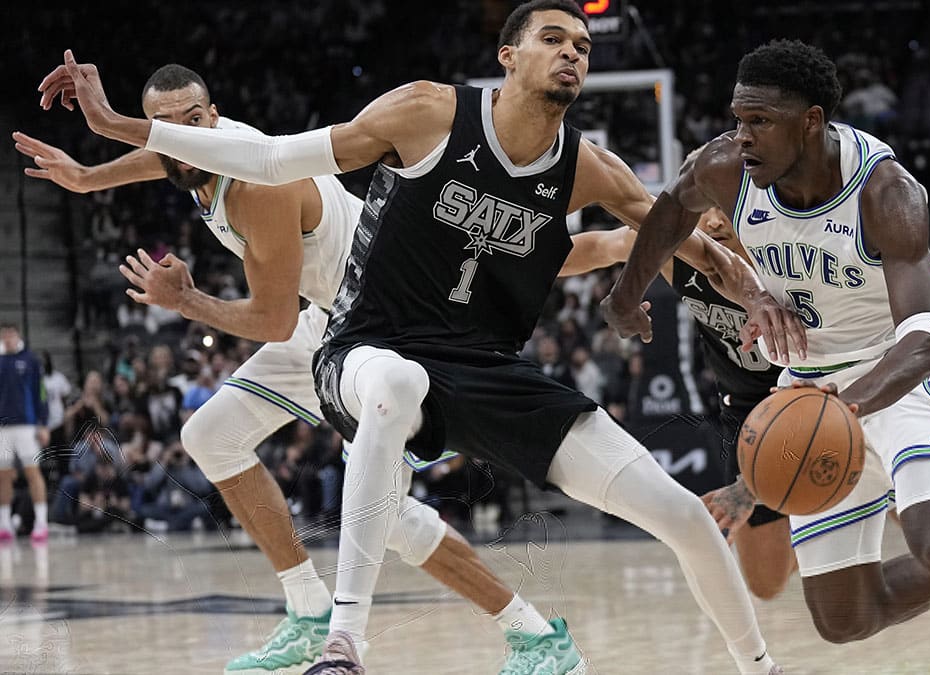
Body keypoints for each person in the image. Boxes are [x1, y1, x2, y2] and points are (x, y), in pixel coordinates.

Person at [38, 3, 801, 671]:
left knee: (676, 514)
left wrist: (753, 288)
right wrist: (96, 153)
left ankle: (725, 661)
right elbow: (227, 155)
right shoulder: (422, 113)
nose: (573, 50)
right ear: (508, 56)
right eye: (553, 37)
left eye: (583, 43)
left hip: (428, 347)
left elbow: (674, 240)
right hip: (365, 338)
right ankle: (343, 638)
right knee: (359, 420)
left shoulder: (582, 168)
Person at [21, 61, 624, 675]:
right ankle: (309, 610)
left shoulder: (257, 188)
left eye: (190, 122)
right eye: (165, 126)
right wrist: (87, 177)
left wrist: (188, 302)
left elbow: (270, 321)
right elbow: (168, 156)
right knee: (209, 435)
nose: (178, 136)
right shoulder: (190, 151)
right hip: (326, 320)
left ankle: (535, 634)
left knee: (390, 522)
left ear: (213, 117)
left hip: (381, 330)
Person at [602, 39, 930, 675]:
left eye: (760, 122)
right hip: (808, 385)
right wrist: (626, 294)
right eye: (737, 119)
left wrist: (849, 406)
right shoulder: (726, 167)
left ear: (811, 121)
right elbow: (672, 207)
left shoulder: (887, 193)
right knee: (845, 619)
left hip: (896, 373)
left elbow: (926, 340)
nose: (742, 136)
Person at [561, 207, 795, 599]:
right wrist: (514, 258)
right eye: (705, 207)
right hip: (745, 412)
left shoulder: (784, 254)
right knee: (765, 584)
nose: (715, 221)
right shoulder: (679, 250)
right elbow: (602, 245)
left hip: (804, 395)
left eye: (725, 205)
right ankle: (823, 520)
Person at [0, 323, 50, 543]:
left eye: (11, 334)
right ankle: (5, 525)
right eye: (4, 336)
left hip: (27, 426)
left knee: (32, 473)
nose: (8, 339)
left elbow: (41, 392)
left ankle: (41, 523)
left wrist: (44, 423)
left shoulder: (30, 360)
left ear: (17, 336)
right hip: (3, 428)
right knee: (3, 475)